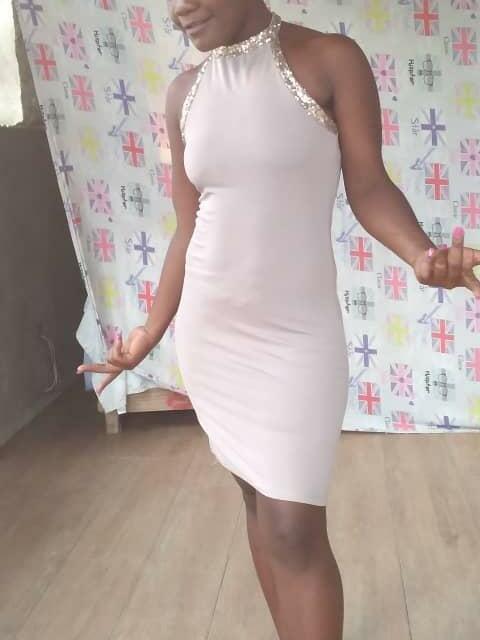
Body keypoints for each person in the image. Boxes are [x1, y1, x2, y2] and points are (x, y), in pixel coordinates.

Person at [77, 2, 480, 638]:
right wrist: (149, 332)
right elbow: (188, 227)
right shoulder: (184, 94)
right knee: (258, 501)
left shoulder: (330, 60)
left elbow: (369, 185)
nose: (180, 8)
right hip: (212, 333)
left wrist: (420, 255)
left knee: (294, 525)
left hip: (296, 335)